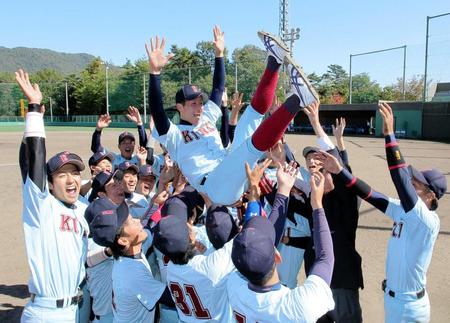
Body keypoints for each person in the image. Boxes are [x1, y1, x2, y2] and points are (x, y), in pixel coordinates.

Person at [146, 28, 319, 205]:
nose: (199, 107)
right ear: (179, 107)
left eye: (200, 102)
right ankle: (298, 100)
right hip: (215, 187)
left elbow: (218, 89)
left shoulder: (206, 115)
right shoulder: (174, 134)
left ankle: (274, 60)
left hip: (230, 166)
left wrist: (219, 54)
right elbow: (157, 111)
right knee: (250, 148)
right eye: (193, 104)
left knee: (251, 115)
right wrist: (155, 73)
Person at [316, 102, 447, 323]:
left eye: (418, 184)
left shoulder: (426, 221)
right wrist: (340, 171)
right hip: (394, 300)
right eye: (414, 180)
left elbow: (400, 180)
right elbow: (371, 195)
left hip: (410, 306)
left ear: (431, 196)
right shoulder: (404, 210)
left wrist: (389, 135)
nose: (413, 184)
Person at [152, 160, 297, 322]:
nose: (188, 223)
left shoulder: (171, 267)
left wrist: (205, 191)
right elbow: (257, 239)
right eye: (186, 226)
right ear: (190, 238)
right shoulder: (212, 267)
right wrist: (256, 190)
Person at [16, 69, 89, 322]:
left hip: (74, 311)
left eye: (75, 173)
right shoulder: (41, 205)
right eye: (62, 175)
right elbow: (33, 161)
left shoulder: (82, 209)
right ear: (49, 182)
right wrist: (34, 111)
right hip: (45, 313)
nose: (71, 180)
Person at [227, 171, 335, 322]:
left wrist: (283, 191)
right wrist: (317, 204)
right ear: (277, 256)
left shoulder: (233, 285)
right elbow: (325, 258)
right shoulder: (297, 305)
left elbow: (270, 238)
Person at [89, 199, 174, 323]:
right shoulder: (133, 273)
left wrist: (161, 205)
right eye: (131, 221)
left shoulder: (128, 254)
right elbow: (173, 298)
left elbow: (150, 228)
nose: (138, 220)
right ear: (123, 241)